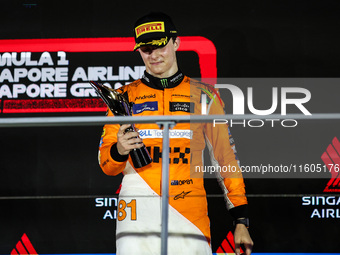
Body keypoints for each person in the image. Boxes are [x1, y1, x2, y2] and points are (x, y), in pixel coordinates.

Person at [98, 12, 253, 255]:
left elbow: (226, 160)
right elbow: (107, 166)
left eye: (160, 46)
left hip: (189, 212)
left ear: (176, 43)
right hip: (137, 210)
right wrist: (119, 150)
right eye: (146, 49)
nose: (154, 55)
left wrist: (240, 221)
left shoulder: (205, 95)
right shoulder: (123, 97)